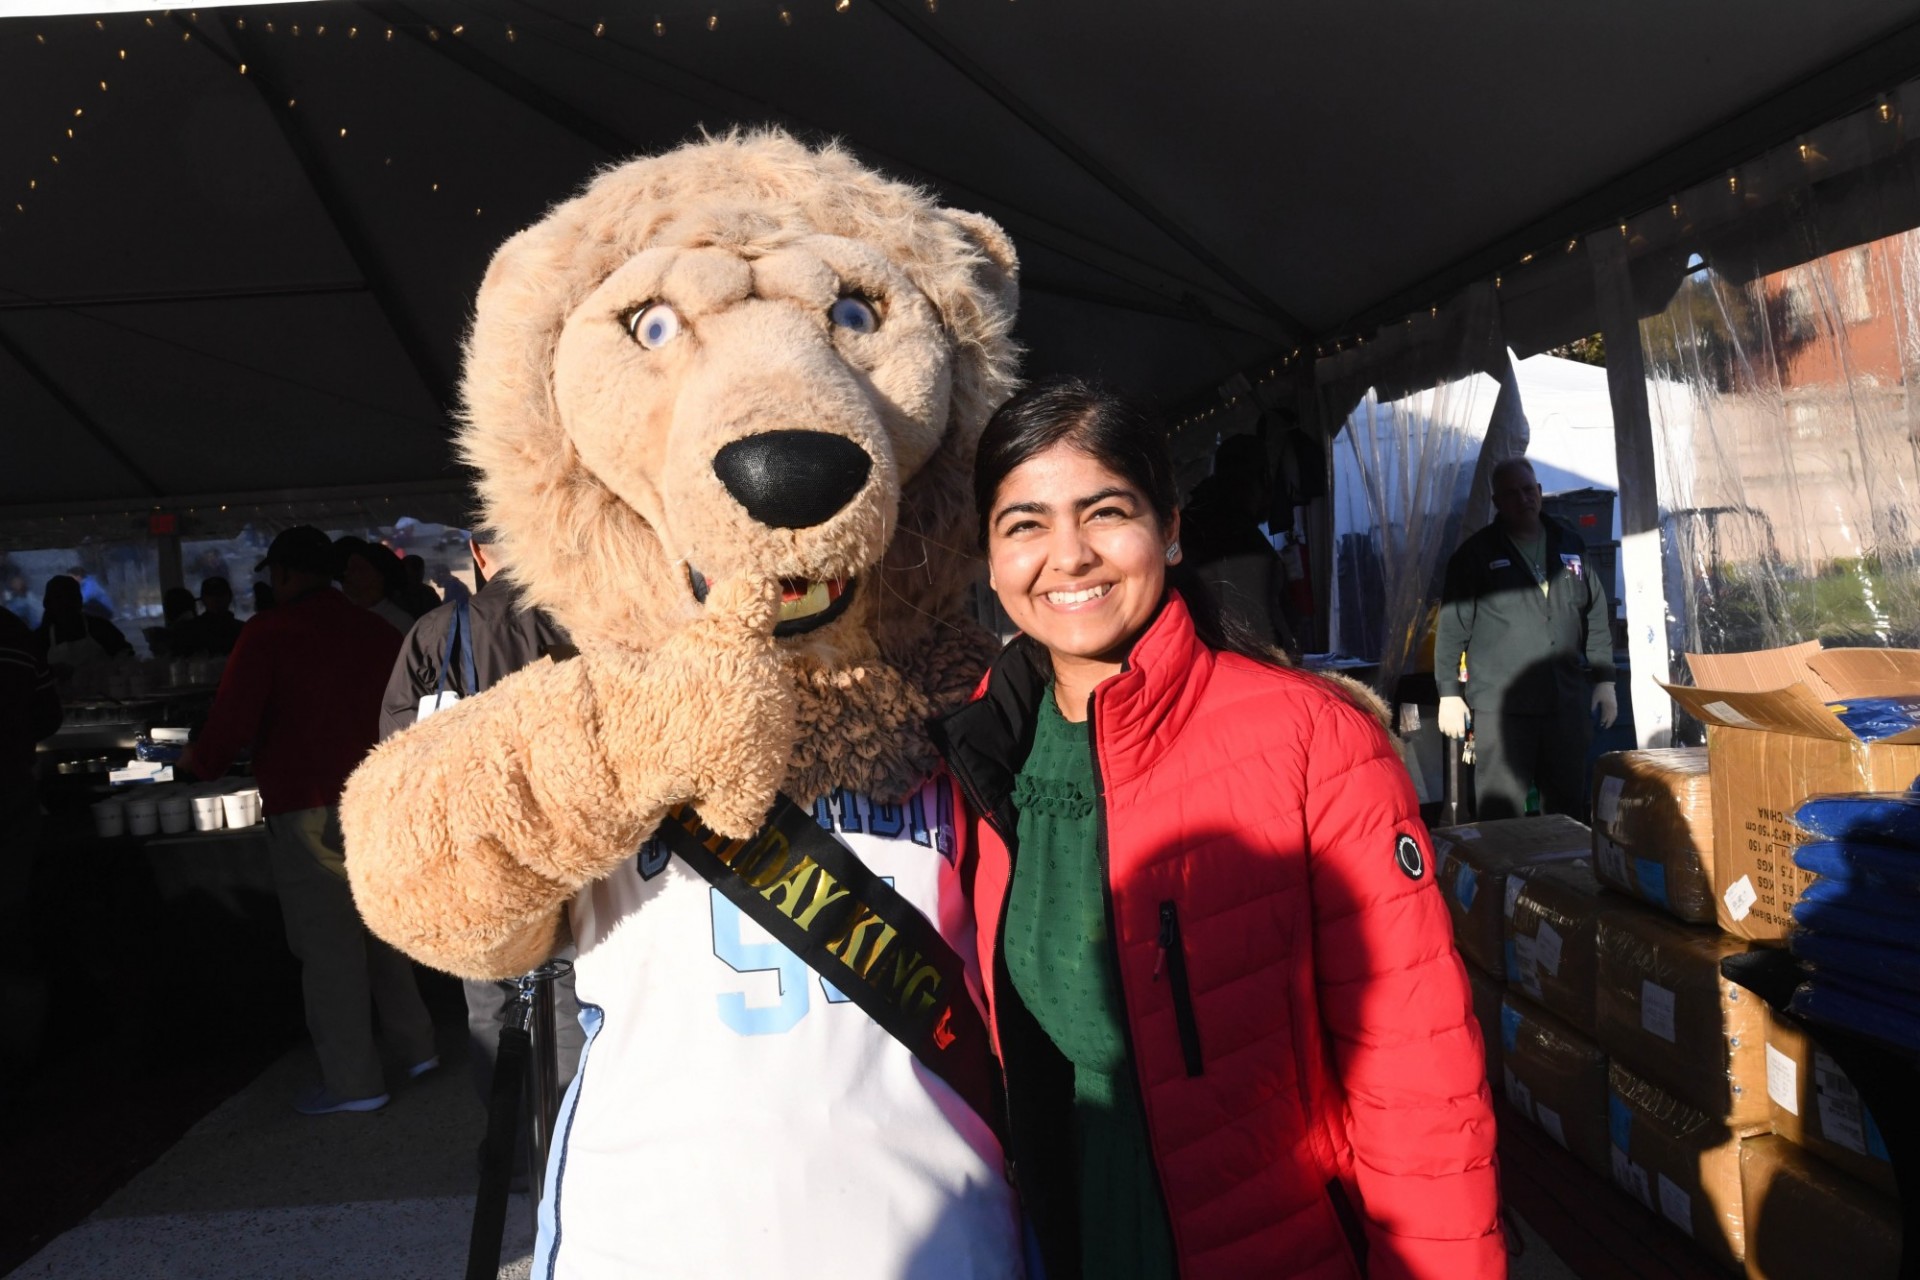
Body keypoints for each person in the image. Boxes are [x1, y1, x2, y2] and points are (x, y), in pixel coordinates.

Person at [930, 378, 1504, 1279]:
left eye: (1105, 512)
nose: (1068, 557)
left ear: (1171, 526)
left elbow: (1418, 1082)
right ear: (990, 556)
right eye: (1025, 524)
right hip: (1058, 1237)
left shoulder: (1315, 740)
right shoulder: (977, 747)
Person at [179, 525, 438, 1115]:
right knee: (382, 930)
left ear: (286, 575)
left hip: (306, 802)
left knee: (329, 949)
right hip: (375, 797)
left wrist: (201, 763)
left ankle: (355, 1083)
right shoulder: (375, 629)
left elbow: (232, 722)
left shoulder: (268, 632)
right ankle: (418, 1046)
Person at [374, 528, 582, 1159]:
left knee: (492, 1003)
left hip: (475, 849)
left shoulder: (436, 633)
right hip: (571, 841)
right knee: (573, 994)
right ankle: (577, 1145)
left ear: (478, 552)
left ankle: (515, 1150)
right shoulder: (582, 622)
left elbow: (393, 748)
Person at [1433, 456, 1616, 820]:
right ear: (1497, 502)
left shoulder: (1569, 544)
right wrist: (1449, 693)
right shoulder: (1475, 556)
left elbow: (1595, 613)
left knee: (1567, 810)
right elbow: (1452, 627)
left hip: (1564, 702)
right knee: (1501, 812)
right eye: (1511, 493)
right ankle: (1503, 878)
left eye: (1528, 490)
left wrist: (1605, 679)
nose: (1523, 498)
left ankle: (1562, 875)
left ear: (1540, 492)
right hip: (1503, 709)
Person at [1178, 431, 1300, 656]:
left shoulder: (1188, 524)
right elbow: (1262, 636)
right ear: (1264, 477)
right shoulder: (1240, 541)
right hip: (1241, 672)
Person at [33, 575, 131, 676]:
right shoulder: (41, 637)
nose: (66, 604)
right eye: (60, 599)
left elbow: (126, 653)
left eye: (70, 598)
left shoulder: (100, 627)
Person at [336, 537, 415, 634]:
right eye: (348, 568)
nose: (346, 573)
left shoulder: (399, 623)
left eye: (357, 568)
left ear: (380, 576)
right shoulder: (342, 615)